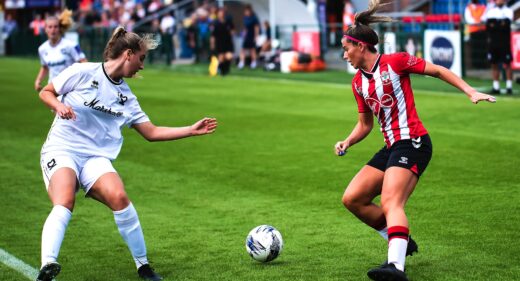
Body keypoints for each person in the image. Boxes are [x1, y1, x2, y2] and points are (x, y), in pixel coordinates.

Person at [36, 26, 218, 281]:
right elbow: (46, 91)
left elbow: (151, 132)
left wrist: (190, 129)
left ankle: (144, 267)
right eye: (142, 59)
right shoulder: (83, 71)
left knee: (120, 197)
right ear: (129, 54)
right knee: (65, 200)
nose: (142, 66)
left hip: (95, 157)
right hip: (62, 148)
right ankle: (48, 265)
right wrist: (59, 105)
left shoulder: (127, 98)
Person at [335, 1, 496, 280]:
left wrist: (470, 91)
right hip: (391, 146)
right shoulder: (357, 83)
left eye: (346, 48)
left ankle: (395, 266)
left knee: (390, 201)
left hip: (414, 141)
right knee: (352, 198)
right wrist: (348, 141)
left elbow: (437, 70)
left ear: (361, 46)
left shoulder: (395, 62)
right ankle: (400, 240)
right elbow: (365, 124)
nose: (344, 54)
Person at [34, 10, 87, 92]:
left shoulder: (71, 45)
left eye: (55, 26)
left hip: (70, 89)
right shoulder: (42, 49)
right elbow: (45, 67)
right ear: (45, 29)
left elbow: (84, 62)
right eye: (50, 27)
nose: (53, 29)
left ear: (59, 28)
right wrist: (38, 81)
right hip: (53, 89)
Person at [482, 0, 513, 95]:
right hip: (493, 43)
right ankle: (496, 86)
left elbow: (506, 24)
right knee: (494, 64)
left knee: (507, 64)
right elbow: (487, 25)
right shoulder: (491, 11)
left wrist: (495, 24)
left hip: (504, 42)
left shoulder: (508, 11)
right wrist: (499, 24)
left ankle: (509, 86)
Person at [210, 8, 235, 76]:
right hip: (219, 43)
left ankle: (225, 69)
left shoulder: (228, 22)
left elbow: (232, 31)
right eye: (220, 13)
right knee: (221, 58)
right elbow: (213, 36)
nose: (221, 14)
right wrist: (212, 44)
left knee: (229, 56)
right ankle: (221, 70)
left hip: (228, 42)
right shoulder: (215, 23)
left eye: (222, 13)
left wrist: (232, 34)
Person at [238, 4, 260, 69]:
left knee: (252, 50)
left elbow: (256, 28)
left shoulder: (254, 18)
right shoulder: (245, 18)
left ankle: (254, 62)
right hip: (246, 36)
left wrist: (256, 36)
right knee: (243, 49)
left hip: (252, 35)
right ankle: (242, 62)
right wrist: (244, 34)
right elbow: (245, 28)